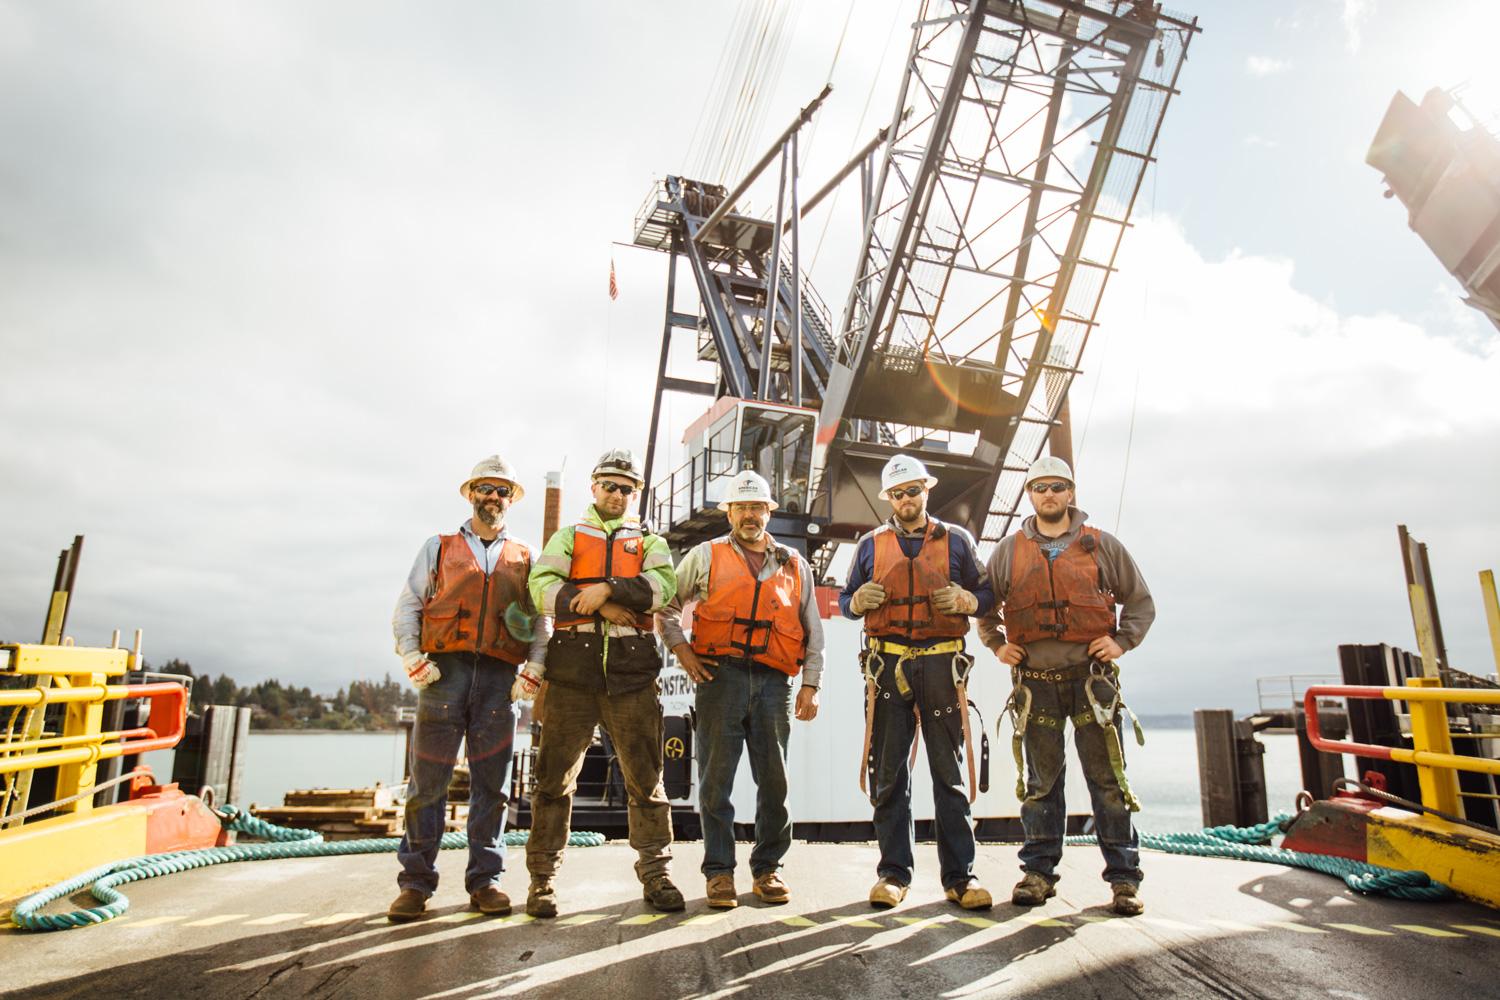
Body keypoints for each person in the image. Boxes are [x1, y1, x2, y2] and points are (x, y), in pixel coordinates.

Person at [978, 455, 1155, 916]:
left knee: (1109, 781)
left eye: (1057, 487)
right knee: (1041, 783)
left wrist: (1121, 641)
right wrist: (997, 645)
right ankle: (1038, 873)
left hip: (1091, 684)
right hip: (1035, 684)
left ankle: (1124, 880)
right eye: (1040, 488)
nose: (1049, 495)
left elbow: (1139, 602)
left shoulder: (1102, 546)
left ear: (1070, 493)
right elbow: (984, 607)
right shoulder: (1008, 551)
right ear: (1030, 495)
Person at [517, 448, 682, 918]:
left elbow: (661, 590)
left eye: (626, 488)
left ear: (636, 495)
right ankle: (542, 881)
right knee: (552, 782)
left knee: (646, 781)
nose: (616, 494)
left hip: (631, 676)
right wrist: (594, 604)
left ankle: (656, 873)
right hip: (571, 675)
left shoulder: (651, 543)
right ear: (593, 488)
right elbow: (540, 589)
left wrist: (607, 588)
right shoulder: (567, 537)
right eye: (609, 485)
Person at [388, 455, 548, 922]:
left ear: (511, 501)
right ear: (471, 493)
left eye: (502, 491)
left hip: (500, 679)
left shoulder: (527, 555)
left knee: (492, 787)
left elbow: (542, 618)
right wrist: (412, 657)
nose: (493, 498)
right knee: (427, 784)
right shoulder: (437, 548)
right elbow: (409, 605)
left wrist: (534, 667)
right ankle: (415, 884)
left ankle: (486, 881)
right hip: (443, 675)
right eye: (486, 489)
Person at [657, 470, 824, 909]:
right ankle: (719, 873)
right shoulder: (704, 555)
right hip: (720, 679)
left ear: (769, 511)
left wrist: (811, 684)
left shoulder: (793, 563)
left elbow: (812, 630)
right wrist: (682, 651)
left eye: (757, 507)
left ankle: (768, 869)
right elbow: (667, 608)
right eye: (741, 507)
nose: (749, 515)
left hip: (774, 683)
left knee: (775, 782)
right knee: (715, 782)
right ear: (729, 512)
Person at [839, 454, 995, 911]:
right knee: (889, 774)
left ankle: (961, 877)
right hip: (887, 667)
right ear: (888, 498)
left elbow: (988, 595)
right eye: (898, 493)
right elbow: (849, 597)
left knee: (950, 775)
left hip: (943, 666)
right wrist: (855, 603)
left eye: (914, 491)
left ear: (927, 491)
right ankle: (893, 874)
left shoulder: (959, 542)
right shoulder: (869, 545)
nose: (907, 499)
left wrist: (968, 598)